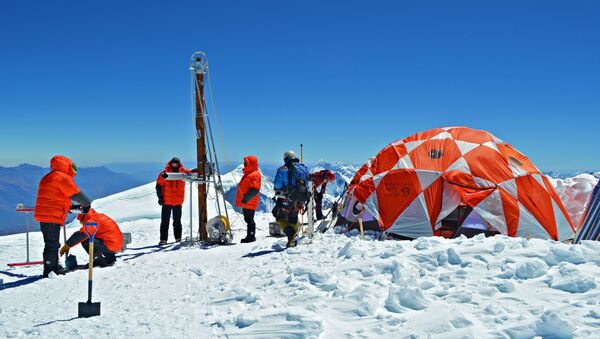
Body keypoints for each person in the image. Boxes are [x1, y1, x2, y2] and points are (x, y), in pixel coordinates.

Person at [34, 155, 92, 278]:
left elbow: (56, 199)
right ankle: (50, 270)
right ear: (67, 165)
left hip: (47, 214)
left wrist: (70, 208)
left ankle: (53, 267)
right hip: (51, 216)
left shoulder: (48, 177)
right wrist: (87, 204)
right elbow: (76, 194)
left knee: (52, 243)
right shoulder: (61, 177)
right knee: (51, 244)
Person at [155, 157, 193, 245]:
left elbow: (191, 173)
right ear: (171, 164)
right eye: (173, 163)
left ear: (179, 164)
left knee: (177, 221)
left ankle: (178, 238)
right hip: (166, 202)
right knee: (165, 222)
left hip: (178, 202)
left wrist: (197, 170)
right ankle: (163, 240)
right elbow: (159, 185)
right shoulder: (165, 174)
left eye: (176, 163)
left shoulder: (182, 173)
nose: (175, 165)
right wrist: (160, 198)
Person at [273, 150, 304, 248]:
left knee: (279, 217)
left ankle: (291, 234)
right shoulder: (301, 168)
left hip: (286, 198)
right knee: (293, 218)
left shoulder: (282, 169)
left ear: (285, 159)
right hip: (299, 199)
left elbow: (277, 185)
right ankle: (293, 241)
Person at [236, 156, 262, 243]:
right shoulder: (250, 173)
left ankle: (251, 236)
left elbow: (255, 189)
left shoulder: (254, 174)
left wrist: (246, 199)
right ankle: (250, 236)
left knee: (249, 219)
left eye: (246, 163)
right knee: (248, 219)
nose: (244, 165)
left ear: (250, 163)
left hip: (249, 201)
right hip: (248, 201)